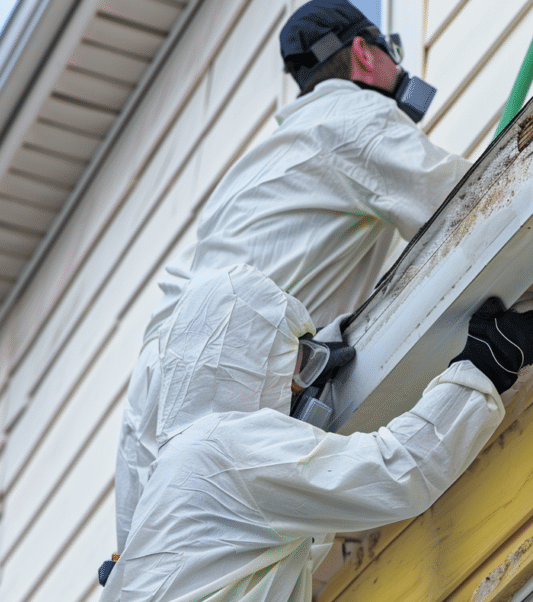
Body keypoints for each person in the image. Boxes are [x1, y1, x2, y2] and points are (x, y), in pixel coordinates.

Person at [88, 264, 533, 602]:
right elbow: (397, 472)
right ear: (249, 361)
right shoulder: (226, 448)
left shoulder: (176, 471)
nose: (297, 385)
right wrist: (486, 366)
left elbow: (297, 540)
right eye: (294, 363)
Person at [114, 0, 473, 554]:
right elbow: (463, 203)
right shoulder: (355, 117)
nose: (399, 68)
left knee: (160, 572)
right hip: (233, 372)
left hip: (154, 397)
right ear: (363, 52)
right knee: (267, 558)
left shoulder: (264, 162)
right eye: (391, 52)